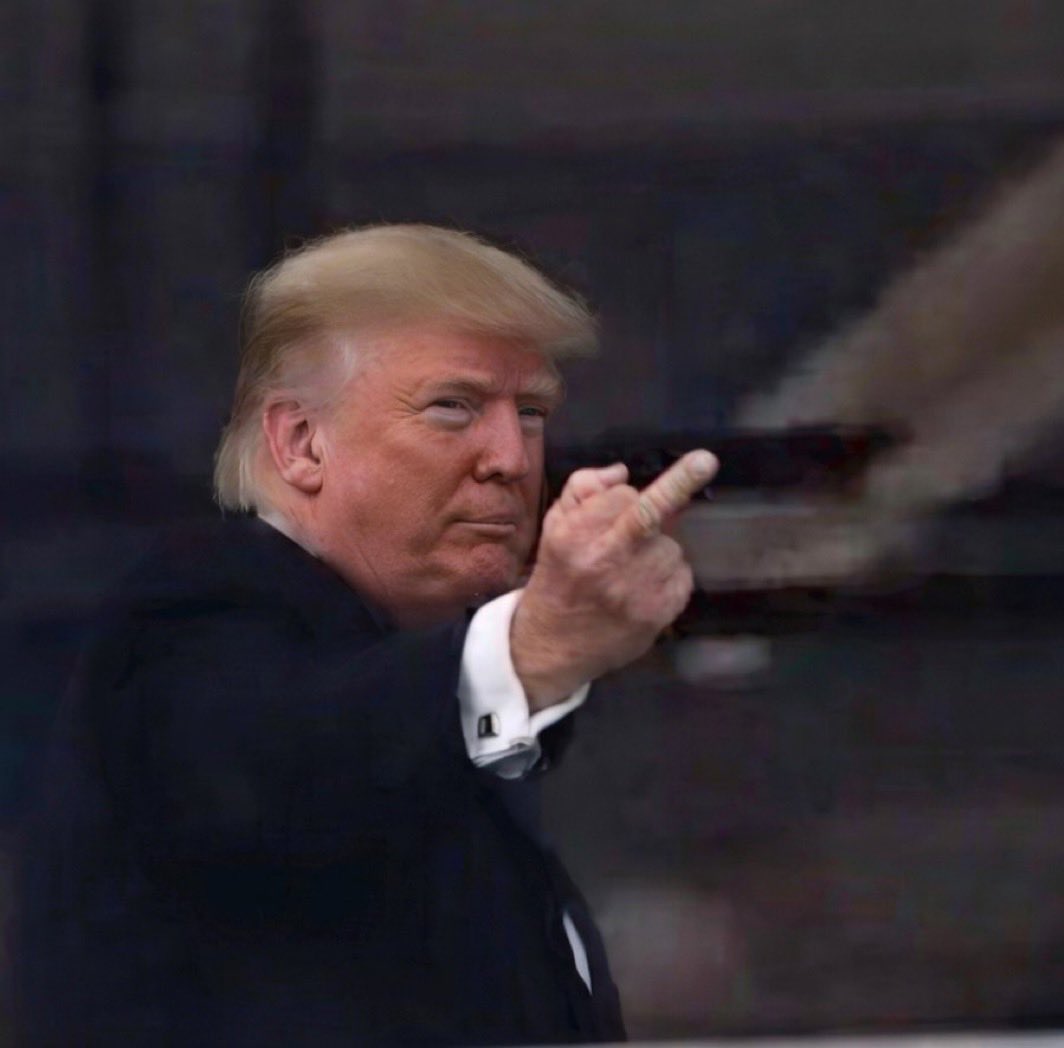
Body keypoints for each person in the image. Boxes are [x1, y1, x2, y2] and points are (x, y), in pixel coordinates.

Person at [10, 225, 717, 1045]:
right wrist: (530, 650)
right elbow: (285, 773)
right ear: (301, 443)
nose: (511, 459)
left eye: (529, 413)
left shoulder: (390, 662)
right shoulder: (194, 612)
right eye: (452, 408)